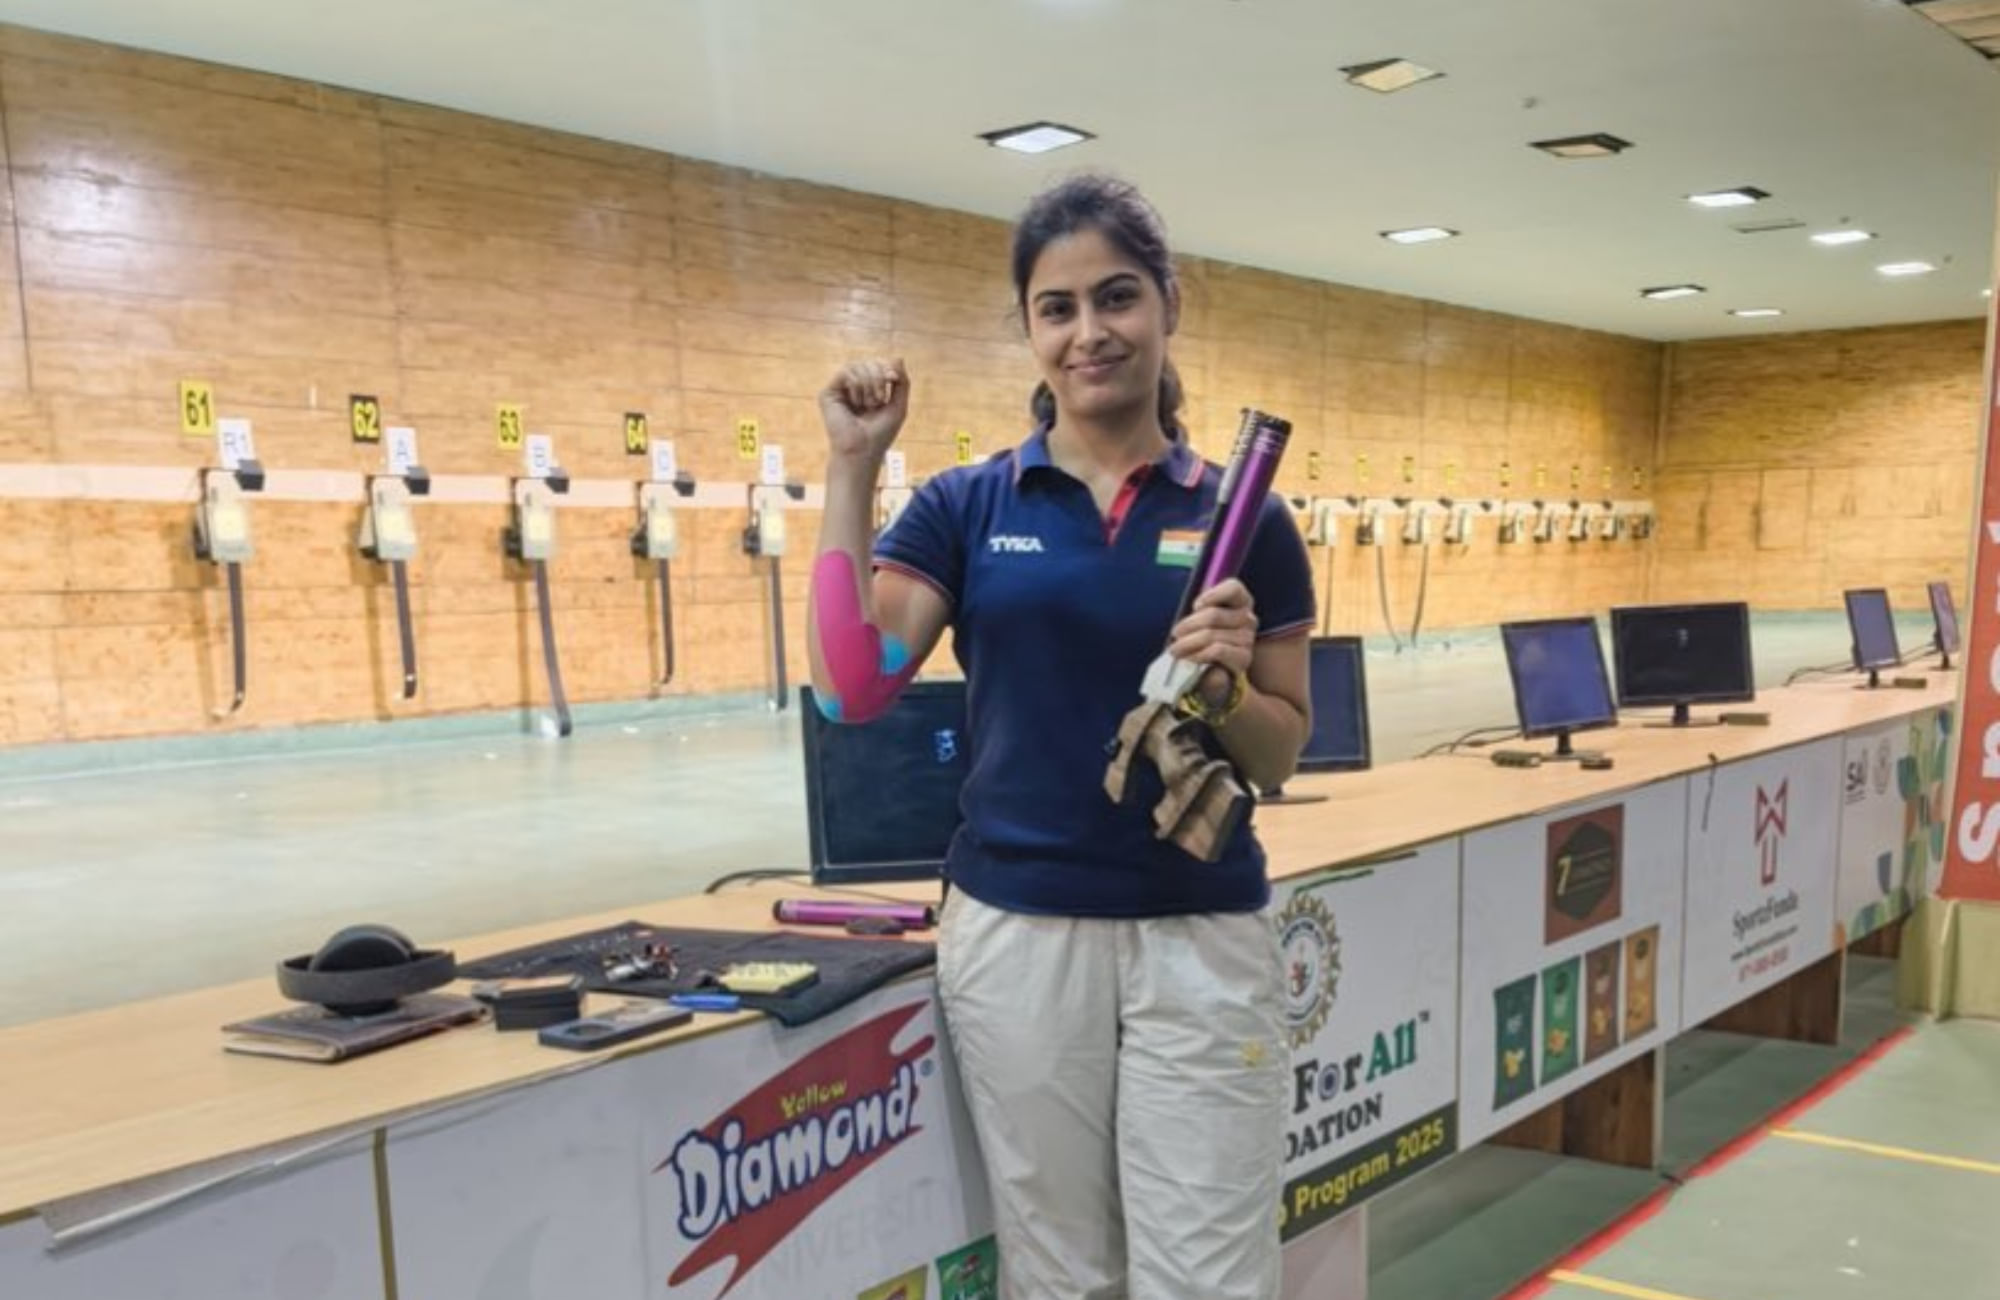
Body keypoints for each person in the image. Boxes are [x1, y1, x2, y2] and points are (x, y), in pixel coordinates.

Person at [807, 173, 1315, 1300]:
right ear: (1031, 330)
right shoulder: (967, 505)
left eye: (1117, 296)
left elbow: (1279, 752)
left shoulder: (1248, 517)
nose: (1090, 331)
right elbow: (850, 689)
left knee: (1211, 1276)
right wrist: (852, 465)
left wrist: (1223, 689)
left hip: (1198, 931)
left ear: (1168, 304)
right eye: (1058, 307)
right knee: (1059, 1274)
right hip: (1021, 936)